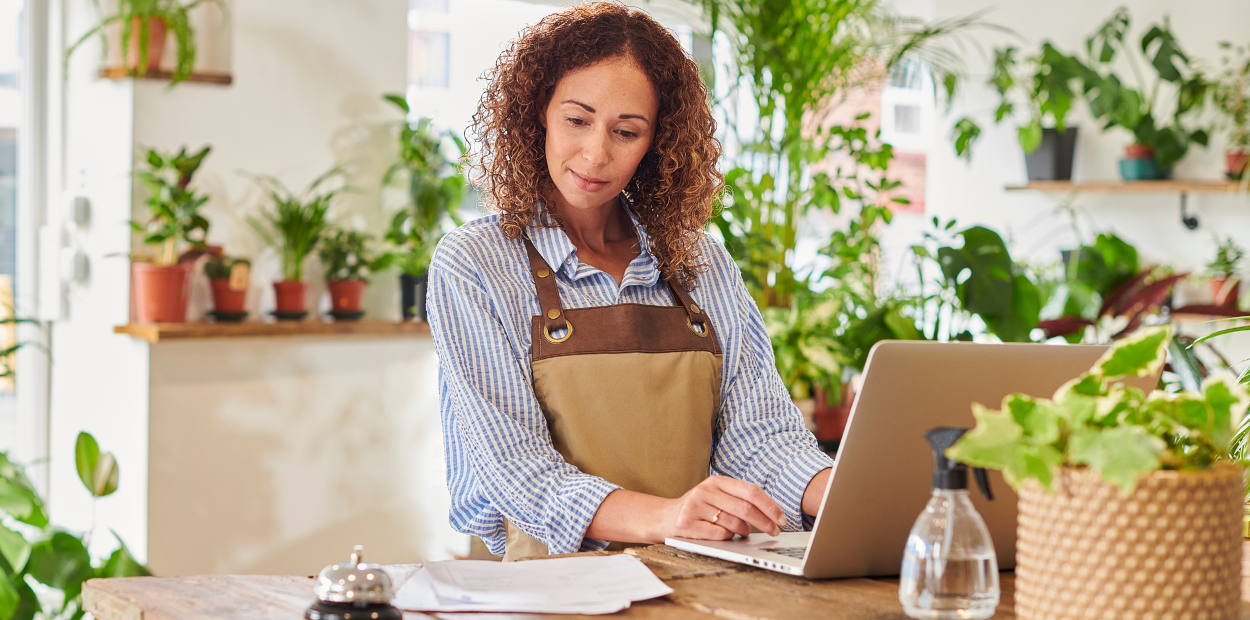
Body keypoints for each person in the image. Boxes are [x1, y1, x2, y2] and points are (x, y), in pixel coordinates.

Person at [427, 2, 833, 561]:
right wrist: (669, 515)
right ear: (536, 113)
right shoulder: (475, 263)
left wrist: (845, 492)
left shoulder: (702, 265)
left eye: (626, 131)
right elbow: (515, 472)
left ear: (656, 143)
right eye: (576, 120)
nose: (596, 153)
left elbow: (760, 438)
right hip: (548, 591)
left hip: (695, 583)